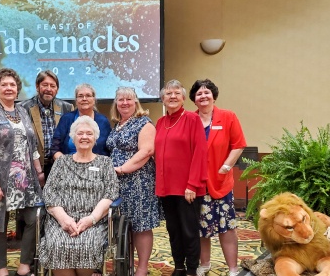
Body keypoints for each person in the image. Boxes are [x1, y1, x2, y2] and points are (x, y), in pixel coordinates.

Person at [0, 68, 44, 276]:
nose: (9, 88)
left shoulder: (22, 111)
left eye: (12, 85)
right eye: (4, 84)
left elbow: (32, 146)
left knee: (33, 219)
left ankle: (24, 265)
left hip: (26, 179)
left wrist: (39, 173)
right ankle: (1, 268)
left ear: (17, 89)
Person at [39, 116, 119, 276]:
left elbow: (110, 194)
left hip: (95, 221)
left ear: (95, 138)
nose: (84, 137)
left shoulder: (105, 163)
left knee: (88, 244)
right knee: (57, 243)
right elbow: (49, 192)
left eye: (89, 134)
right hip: (60, 221)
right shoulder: (61, 162)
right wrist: (63, 219)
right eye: (80, 133)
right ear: (73, 138)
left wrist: (91, 219)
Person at [189, 79, 246, 276]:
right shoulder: (190, 119)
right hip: (197, 184)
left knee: (226, 227)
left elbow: (238, 144)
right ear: (194, 100)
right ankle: (204, 264)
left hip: (220, 182)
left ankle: (232, 268)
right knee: (201, 227)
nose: (203, 96)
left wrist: (226, 165)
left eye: (206, 92)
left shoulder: (228, 117)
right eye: (199, 94)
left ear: (213, 95)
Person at [154, 79, 208, 276]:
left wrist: (192, 184)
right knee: (173, 230)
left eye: (177, 93)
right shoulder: (160, 122)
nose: (173, 96)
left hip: (188, 189)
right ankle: (179, 266)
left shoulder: (193, 120)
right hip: (166, 188)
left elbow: (200, 153)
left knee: (189, 231)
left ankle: (192, 269)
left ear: (184, 98)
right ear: (163, 99)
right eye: (168, 93)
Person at [106, 87, 160, 276]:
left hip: (139, 182)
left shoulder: (143, 122)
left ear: (136, 101)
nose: (124, 103)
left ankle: (142, 268)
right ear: (116, 103)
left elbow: (146, 152)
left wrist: (121, 169)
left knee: (141, 225)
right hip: (117, 183)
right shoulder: (117, 124)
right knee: (124, 224)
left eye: (129, 99)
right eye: (120, 99)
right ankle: (125, 264)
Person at [20, 70, 74, 180]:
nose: (48, 89)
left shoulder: (67, 108)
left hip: (60, 166)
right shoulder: (23, 108)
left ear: (57, 90)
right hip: (33, 167)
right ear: (37, 86)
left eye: (52, 86)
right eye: (45, 85)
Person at [51, 83, 111, 159]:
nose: (84, 99)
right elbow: (55, 148)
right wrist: (65, 164)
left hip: (96, 167)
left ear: (94, 99)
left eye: (88, 95)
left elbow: (108, 150)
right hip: (68, 167)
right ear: (76, 100)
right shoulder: (66, 119)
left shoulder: (103, 121)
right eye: (80, 96)